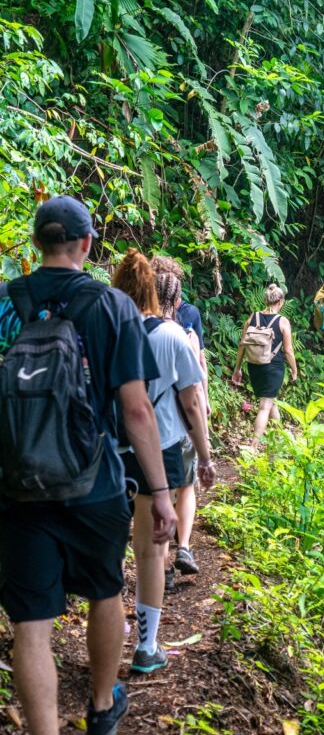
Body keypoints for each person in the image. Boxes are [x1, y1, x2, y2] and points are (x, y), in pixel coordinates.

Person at [0, 196, 176, 735]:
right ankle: (102, 708)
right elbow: (136, 410)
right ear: (85, 242)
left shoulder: (5, 301)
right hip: (95, 483)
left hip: (17, 489)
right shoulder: (113, 305)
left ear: (38, 241)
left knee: (32, 625)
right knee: (105, 590)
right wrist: (160, 492)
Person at [111, 252, 216, 674]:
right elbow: (192, 400)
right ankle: (146, 645)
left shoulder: (105, 331)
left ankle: (110, 621)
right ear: (154, 289)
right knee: (151, 552)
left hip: (108, 449)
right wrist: (205, 456)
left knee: (111, 544)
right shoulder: (172, 335)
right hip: (162, 448)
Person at [150, 255, 208, 582]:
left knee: (156, 497)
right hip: (177, 427)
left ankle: (162, 566)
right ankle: (183, 546)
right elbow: (196, 382)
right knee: (185, 486)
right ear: (175, 293)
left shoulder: (132, 325)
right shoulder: (184, 328)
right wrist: (207, 450)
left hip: (140, 431)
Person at [232, 283, 298, 447]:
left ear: (266, 300)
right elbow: (288, 350)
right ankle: (254, 446)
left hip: (254, 365)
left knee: (271, 402)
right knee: (264, 406)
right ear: (280, 301)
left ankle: (279, 441)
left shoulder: (252, 317)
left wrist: (237, 368)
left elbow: (242, 345)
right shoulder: (283, 322)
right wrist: (294, 370)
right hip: (273, 367)